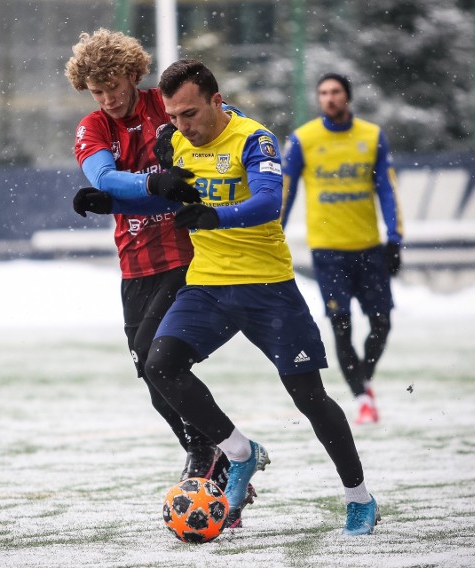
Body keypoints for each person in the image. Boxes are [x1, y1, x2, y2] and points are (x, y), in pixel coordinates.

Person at [136, 59, 379, 535]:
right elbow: (159, 194)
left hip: (268, 288)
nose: (181, 125)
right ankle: (241, 452)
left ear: (216, 101)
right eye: (174, 116)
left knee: (309, 398)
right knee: (159, 365)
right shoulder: (176, 141)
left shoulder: (255, 139)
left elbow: (270, 202)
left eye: (190, 113)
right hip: (207, 285)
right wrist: (106, 197)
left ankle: (359, 498)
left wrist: (215, 217)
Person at [64, 29, 246, 508]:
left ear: (131, 74)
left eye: (114, 88)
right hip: (134, 265)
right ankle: (216, 465)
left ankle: (213, 453)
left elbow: (227, 124)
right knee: (151, 376)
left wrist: (157, 186)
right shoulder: (93, 127)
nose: (108, 99)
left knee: (157, 360)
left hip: (185, 258)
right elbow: (104, 176)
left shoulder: (165, 104)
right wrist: (142, 186)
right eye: (97, 92)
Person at [281, 72, 403, 425]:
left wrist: (394, 238)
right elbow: (286, 193)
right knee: (341, 323)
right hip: (328, 251)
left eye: (335, 92)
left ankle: (363, 377)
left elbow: (387, 189)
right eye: (323, 93)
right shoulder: (303, 139)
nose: (329, 98)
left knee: (382, 323)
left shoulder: (371, 136)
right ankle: (362, 396)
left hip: (368, 247)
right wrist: (274, 234)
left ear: (347, 97)